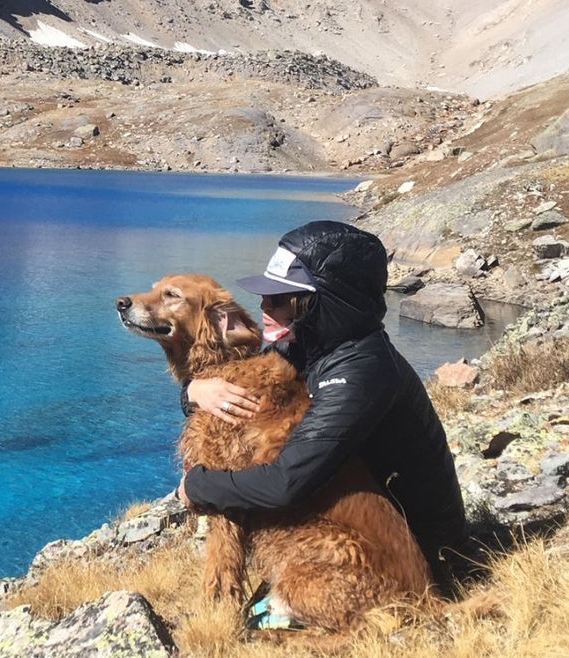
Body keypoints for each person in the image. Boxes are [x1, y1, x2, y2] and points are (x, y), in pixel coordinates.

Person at [173, 220, 468, 594]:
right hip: (367, 526)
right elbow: (240, 395)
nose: (264, 306)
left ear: (324, 303)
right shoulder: (309, 345)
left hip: (415, 556)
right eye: (266, 295)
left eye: (280, 298)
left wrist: (198, 486)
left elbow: (286, 482)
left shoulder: (361, 371)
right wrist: (194, 390)